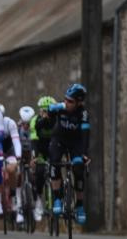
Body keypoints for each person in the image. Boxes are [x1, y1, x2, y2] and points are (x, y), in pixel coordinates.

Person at [48, 84, 89, 225]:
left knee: (78, 167)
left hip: (75, 143)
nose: (66, 103)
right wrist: (52, 110)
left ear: (78, 103)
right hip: (59, 139)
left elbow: (85, 135)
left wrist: (84, 154)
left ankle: (79, 205)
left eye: (70, 101)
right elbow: (48, 116)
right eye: (65, 99)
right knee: (54, 161)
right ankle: (57, 197)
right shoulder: (61, 107)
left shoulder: (82, 114)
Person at [29, 96, 57, 221]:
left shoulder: (57, 120)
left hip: (53, 147)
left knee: (57, 169)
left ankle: (58, 199)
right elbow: (34, 140)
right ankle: (39, 199)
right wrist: (34, 157)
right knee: (40, 172)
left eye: (47, 111)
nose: (45, 114)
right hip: (40, 148)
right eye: (43, 111)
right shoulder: (35, 120)